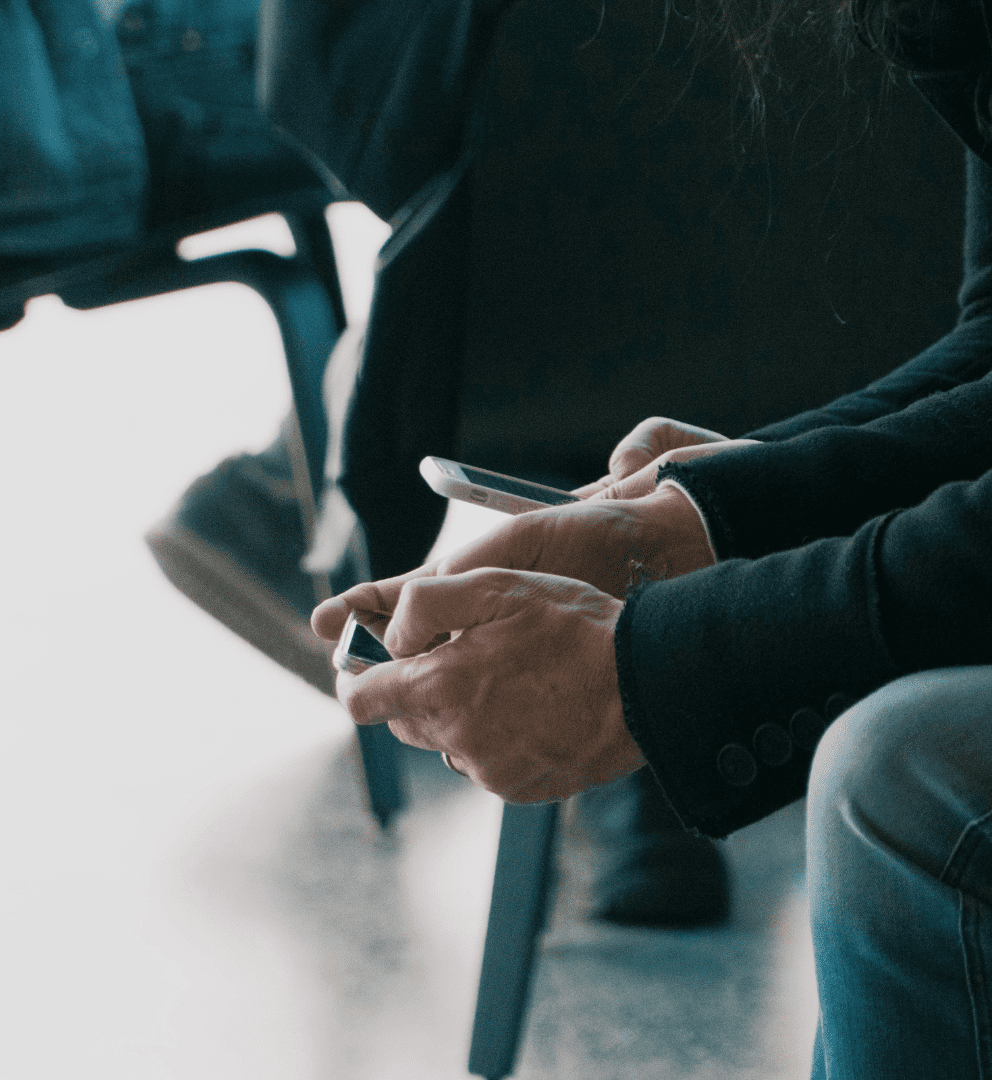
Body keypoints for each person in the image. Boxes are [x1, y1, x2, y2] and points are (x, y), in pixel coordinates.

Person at [148, 0, 968, 929]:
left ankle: (302, 488)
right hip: (888, 303)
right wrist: (686, 528)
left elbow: (331, 88)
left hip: (534, 338)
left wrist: (675, 671)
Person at [311, 0, 992, 1072]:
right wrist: (681, 524)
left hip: (524, 354)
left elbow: (338, 108)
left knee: (907, 772)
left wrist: (662, 666)